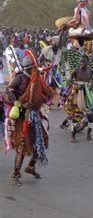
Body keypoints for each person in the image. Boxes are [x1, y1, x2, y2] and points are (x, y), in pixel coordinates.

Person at [4, 53, 56, 185]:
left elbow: (46, 94)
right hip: (21, 115)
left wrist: (42, 100)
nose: (35, 69)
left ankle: (30, 167)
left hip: (35, 113)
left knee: (42, 141)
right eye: (33, 68)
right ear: (28, 69)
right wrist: (20, 103)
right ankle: (15, 174)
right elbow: (8, 91)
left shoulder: (37, 79)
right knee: (23, 144)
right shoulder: (20, 78)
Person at [61, 55, 93, 142]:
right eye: (80, 62)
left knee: (91, 115)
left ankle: (89, 133)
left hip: (86, 95)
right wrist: (75, 85)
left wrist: (90, 85)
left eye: (83, 61)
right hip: (76, 94)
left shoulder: (90, 71)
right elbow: (69, 81)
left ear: (87, 62)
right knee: (75, 115)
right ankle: (73, 136)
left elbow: (92, 82)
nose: (82, 63)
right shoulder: (76, 71)